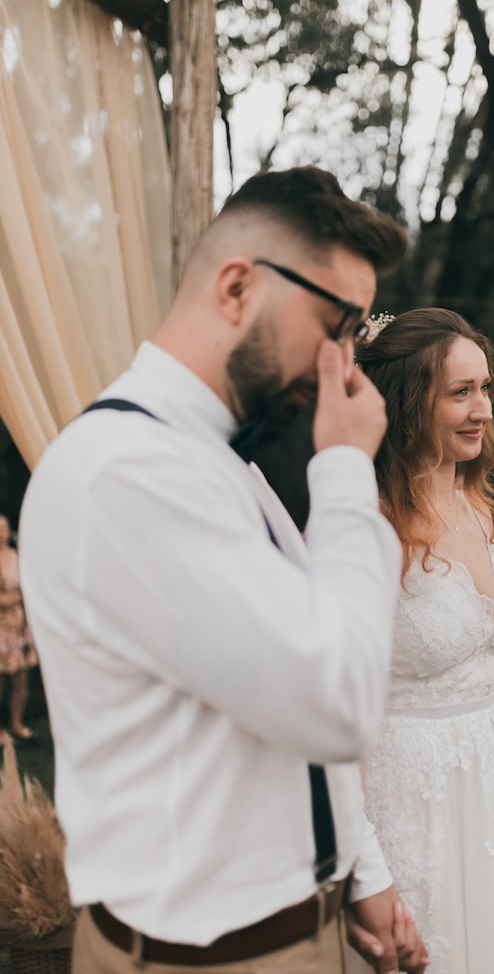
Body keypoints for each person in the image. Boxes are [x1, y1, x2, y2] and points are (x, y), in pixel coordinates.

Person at [18, 167, 428, 974]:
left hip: (296, 930)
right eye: (336, 323)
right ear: (237, 286)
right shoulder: (126, 474)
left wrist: (355, 874)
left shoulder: (213, 464)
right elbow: (335, 701)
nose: (341, 362)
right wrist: (346, 470)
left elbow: (277, 711)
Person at [351, 308, 494, 974]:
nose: (480, 408)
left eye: (484, 387)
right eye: (458, 391)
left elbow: (491, 667)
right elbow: (339, 707)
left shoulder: (476, 505)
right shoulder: (365, 527)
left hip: (493, 785)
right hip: (408, 802)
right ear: (406, 401)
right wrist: (365, 869)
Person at [0, 513, 37, 744]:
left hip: (19, 625)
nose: (1, 532)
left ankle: (16, 721)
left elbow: (31, 592)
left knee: (21, 679)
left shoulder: (18, 557)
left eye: (4, 527)